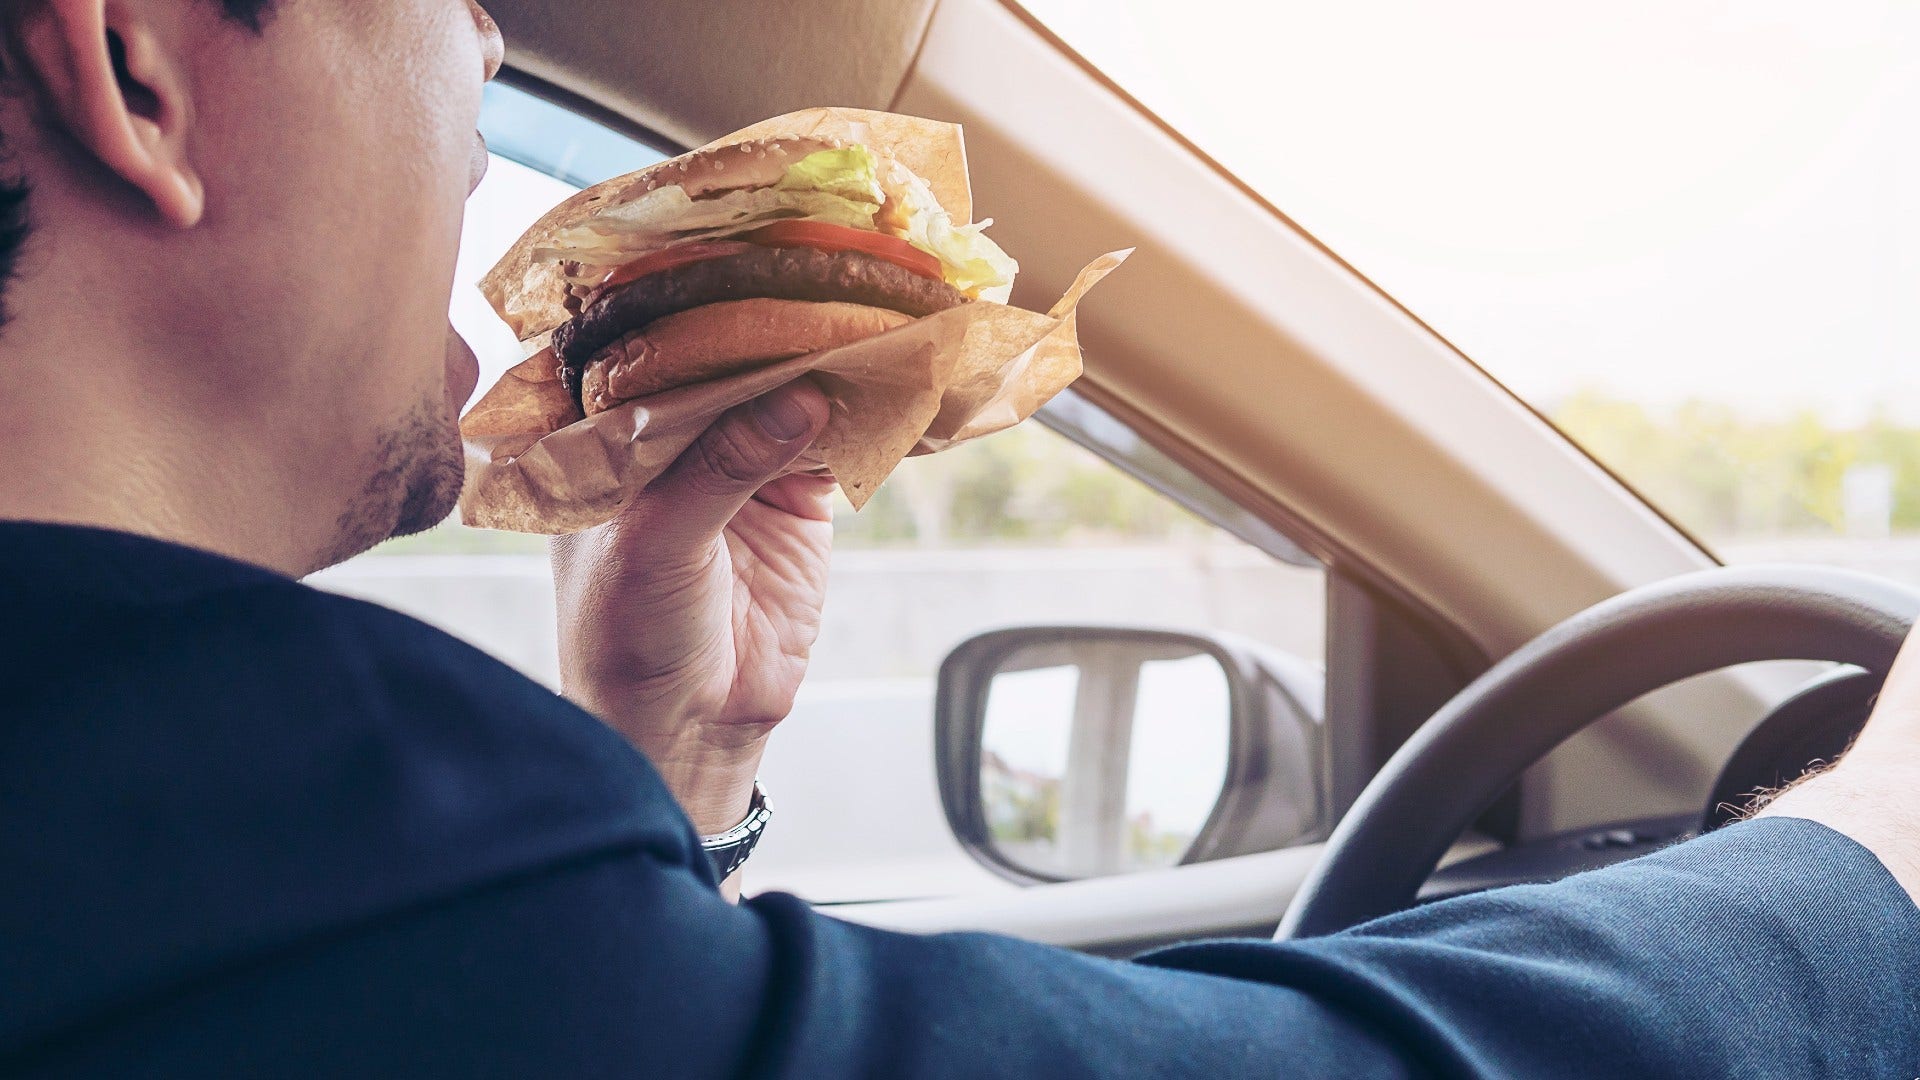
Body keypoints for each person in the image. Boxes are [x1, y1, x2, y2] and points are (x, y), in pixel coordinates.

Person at [0, 1, 1916, 1076]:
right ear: (138, 63)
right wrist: (1875, 850)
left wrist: (664, 780)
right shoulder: (244, 796)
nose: (486, 55)